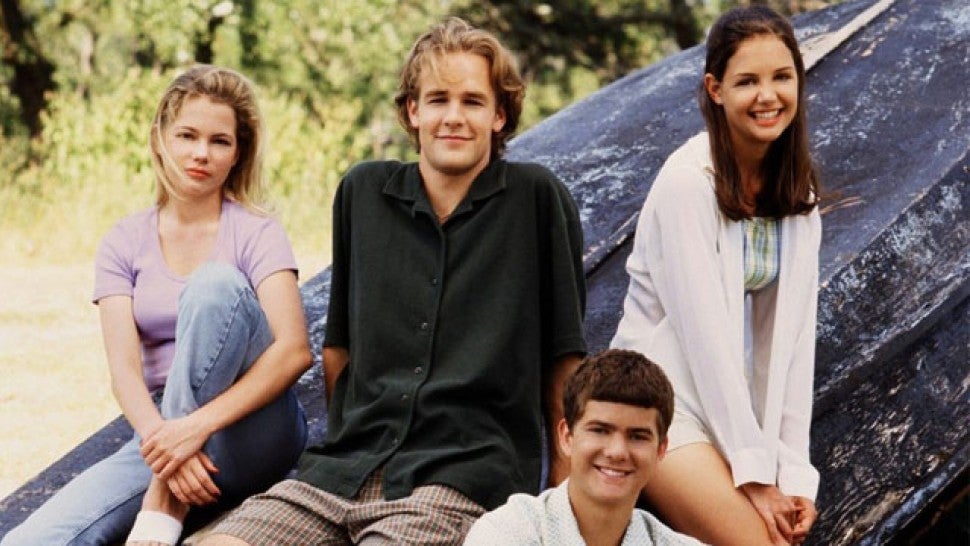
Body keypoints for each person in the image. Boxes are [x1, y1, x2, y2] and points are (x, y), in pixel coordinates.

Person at [199, 16, 587, 546]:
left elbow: (565, 362)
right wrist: (353, 438)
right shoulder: (363, 192)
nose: (454, 117)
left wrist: (560, 508)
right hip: (341, 473)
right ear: (412, 111)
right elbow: (339, 351)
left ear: (499, 115)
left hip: (460, 479)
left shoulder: (535, 198)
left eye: (473, 102)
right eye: (437, 99)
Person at [2, 65, 312, 546]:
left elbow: (293, 351)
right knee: (32, 540)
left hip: (252, 427)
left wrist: (195, 428)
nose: (201, 153)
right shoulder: (123, 241)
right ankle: (169, 481)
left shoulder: (257, 231)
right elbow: (124, 372)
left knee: (214, 285)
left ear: (237, 154)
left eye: (219, 141)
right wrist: (167, 443)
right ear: (159, 140)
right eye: (187, 135)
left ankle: (163, 503)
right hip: (159, 433)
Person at [610, 6, 822, 546]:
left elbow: (794, 344)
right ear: (716, 89)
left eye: (781, 77)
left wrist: (794, 476)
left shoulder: (796, 195)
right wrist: (755, 478)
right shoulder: (688, 183)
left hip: (726, 409)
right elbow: (704, 341)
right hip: (653, 403)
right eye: (747, 81)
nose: (768, 96)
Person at [463, 349, 703, 546]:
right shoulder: (506, 533)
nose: (617, 452)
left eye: (637, 436)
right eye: (600, 430)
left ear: (661, 449)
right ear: (567, 437)